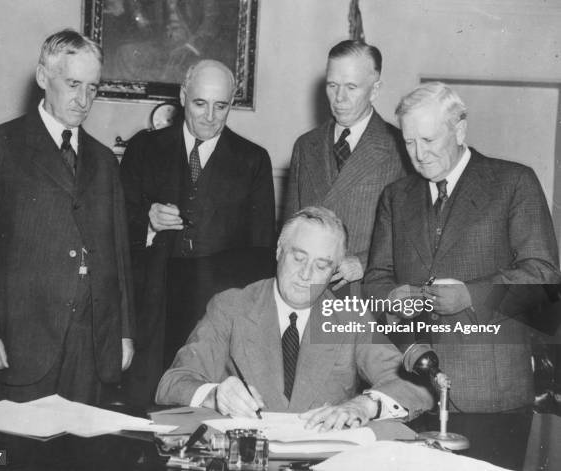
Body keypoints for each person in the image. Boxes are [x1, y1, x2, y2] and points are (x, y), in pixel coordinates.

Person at [0, 29, 135, 404]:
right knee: (1, 458)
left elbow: (119, 256)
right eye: (72, 84)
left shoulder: (103, 161)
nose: (84, 99)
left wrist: (124, 333)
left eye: (93, 88)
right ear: (42, 77)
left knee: (79, 457)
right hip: (20, 344)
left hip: (90, 347)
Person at [365, 81, 561, 412]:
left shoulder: (513, 183)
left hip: (489, 392)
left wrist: (472, 295)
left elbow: (544, 276)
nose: (418, 154)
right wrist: (393, 298)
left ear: (459, 130)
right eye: (409, 142)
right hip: (413, 389)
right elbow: (375, 279)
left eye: (428, 140)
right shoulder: (395, 197)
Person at [156, 207, 432, 429]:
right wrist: (214, 395)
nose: (306, 274)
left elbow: (416, 387)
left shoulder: (351, 317)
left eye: (322, 265)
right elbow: (172, 383)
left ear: (335, 270)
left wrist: (365, 405)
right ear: (278, 252)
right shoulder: (231, 307)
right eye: (299, 258)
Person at [120, 59, 275, 406]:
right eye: (200, 103)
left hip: (214, 310)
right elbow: (114, 231)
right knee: (145, 404)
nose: (209, 116)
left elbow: (261, 252)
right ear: (182, 96)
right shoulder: (143, 149)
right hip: (152, 308)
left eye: (221, 106)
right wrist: (147, 221)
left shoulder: (253, 160)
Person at [284, 40, 410, 290]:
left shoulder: (401, 149)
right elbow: (288, 230)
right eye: (332, 86)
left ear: (375, 90)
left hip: (364, 291)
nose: (339, 98)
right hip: (305, 288)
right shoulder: (305, 145)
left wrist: (364, 262)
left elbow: (411, 236)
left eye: (351, 87)